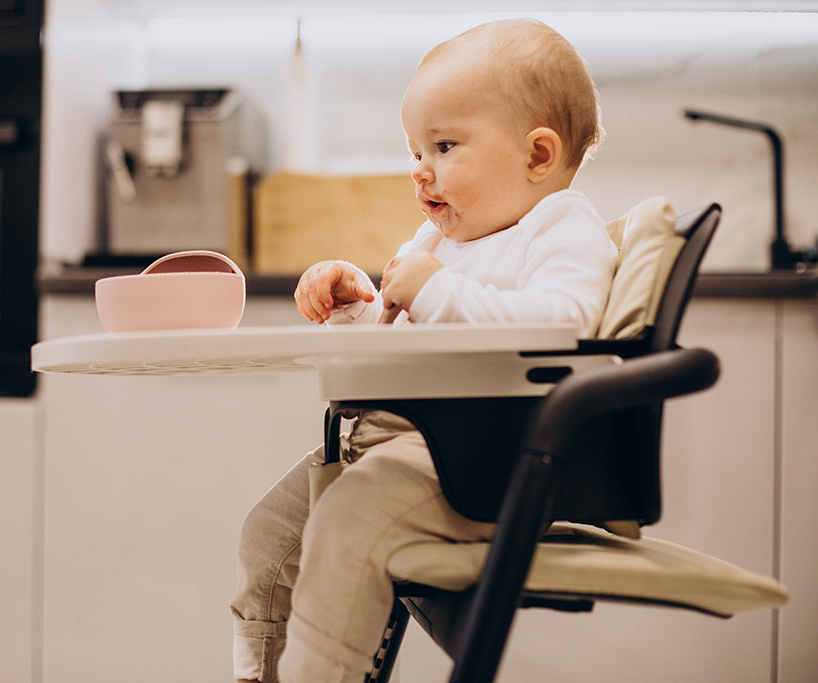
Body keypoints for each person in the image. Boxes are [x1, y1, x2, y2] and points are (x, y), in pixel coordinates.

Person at [231, 19, 617, 683]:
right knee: (269, 532)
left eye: (443, 145)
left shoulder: (560, 228)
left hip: (486, 459)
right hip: (402, 443)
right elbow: (396, 346)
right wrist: (354, 308)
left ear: (537, 156)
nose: (419, 170)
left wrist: (437, 292)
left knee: (347, 523)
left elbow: (564, 323)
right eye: (415, 149)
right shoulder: (438, 243)